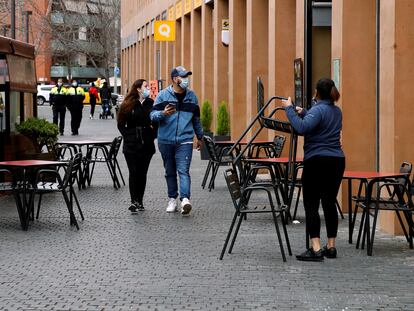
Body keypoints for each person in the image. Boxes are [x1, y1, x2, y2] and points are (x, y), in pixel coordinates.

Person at [282, 78, 345, 262]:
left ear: (317, 92)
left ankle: (316, 248)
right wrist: (305, 112)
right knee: (329, 202)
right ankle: (331, 246)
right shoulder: (336, 111)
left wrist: (289, 109)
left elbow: (302, 127)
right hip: (337, 161)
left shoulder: (318, 110)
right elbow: (321, 123)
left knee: (311, 204)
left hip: (317, 160)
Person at [150, 66, 203, 216]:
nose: (186, 79)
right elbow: (152, 116)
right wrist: (163, 113)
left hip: (185, 140)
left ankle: (185, 199)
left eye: (187, 76)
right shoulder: (162, 96)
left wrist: (200, 136)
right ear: (175, 79)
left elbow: (196, 119)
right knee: (170, 171)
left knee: (183, 170)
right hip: (165, 140)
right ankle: (172, 199)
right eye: (183, 76)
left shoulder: (192, 96)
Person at [117, 79, 156, 213]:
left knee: (142, 173)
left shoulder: (151, 103)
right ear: (138, 88)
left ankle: (140, 201)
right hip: (131, 144)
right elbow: (120, 124)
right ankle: (134, 201)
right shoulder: (128, 104)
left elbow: (156, 121)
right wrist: (128, 137)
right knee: (133, 172)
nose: (148, 89)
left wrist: (152, 135)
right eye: (145, 86)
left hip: (146, 143)